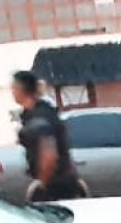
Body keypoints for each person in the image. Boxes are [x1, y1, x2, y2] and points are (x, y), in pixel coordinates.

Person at [11, 71, 84, 201]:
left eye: (14, 87)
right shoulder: (33, 114)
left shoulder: (39, 116)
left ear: (22, 89)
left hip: (56, 185)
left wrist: (43, 182)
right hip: (60, 181)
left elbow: (49, 154)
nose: (12, 92)